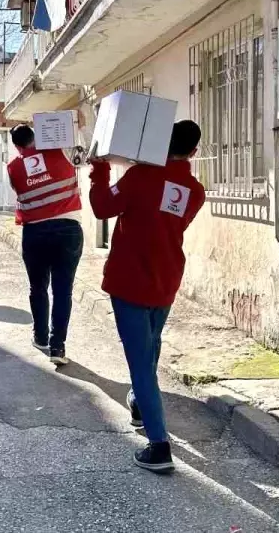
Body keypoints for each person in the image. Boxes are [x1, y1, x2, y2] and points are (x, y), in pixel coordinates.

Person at [88, 120, 206, 473]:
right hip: (166, 279)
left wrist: (99, 171)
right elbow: (172, 223)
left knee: (140, 362)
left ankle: (158, 445)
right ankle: (141, 403)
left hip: (129, 282)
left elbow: (101, 207)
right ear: (194, 152)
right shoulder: (194, 189)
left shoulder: (139, 177)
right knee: (151, 345)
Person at [6, 124, 83, 365]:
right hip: (67, 230)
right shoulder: (60, 152)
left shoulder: (14, 168)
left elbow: (21, 189)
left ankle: (40, 337)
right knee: (63, 291)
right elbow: (83, 154)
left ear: (17, 146)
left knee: (37, 287)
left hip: (35, 232)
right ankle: (57, 348)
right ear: (36, 137)